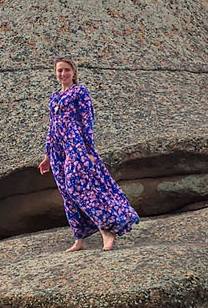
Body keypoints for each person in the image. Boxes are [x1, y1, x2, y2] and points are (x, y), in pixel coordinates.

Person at [37, 57, 139, 251]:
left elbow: (87, 121)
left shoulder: (80, 92)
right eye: (59, 71)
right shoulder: (54, 97)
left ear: (73, 72)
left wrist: (89, 151)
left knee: (77, 186)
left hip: (76, 145)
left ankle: (106, 230)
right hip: (57, 150)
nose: (63, 74)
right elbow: (52, 127)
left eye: (66, 70)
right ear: (55, 73)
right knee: (67, 193)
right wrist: (47, 156)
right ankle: (79, 239)